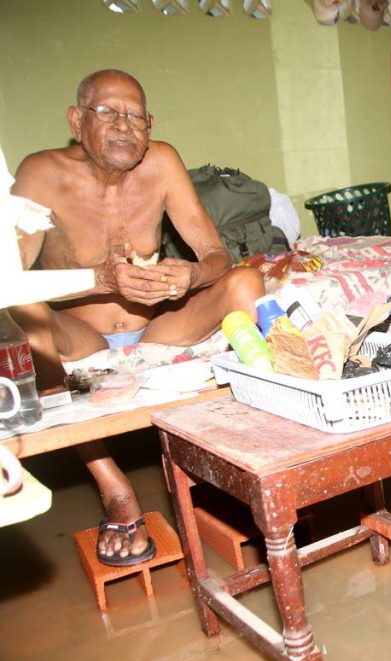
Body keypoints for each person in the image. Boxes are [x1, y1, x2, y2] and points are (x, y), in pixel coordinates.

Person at [11, 69, 265, 566]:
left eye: (136, 117)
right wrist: (101, 280)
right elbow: (11, 281)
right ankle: (115, 488)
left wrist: (190, 276)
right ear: (76, 120)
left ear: (150, 125)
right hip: (83, 342)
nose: (125, 127)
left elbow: (217, 256)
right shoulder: (41, 173)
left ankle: (243, 455)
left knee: (247, 283)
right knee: (24, 315)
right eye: (107, 113)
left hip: (157, 331)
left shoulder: (163, 161)